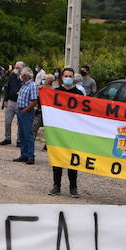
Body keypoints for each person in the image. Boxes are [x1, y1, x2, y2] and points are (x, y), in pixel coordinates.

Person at [49, 67, 84, 195]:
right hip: (59, 131)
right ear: (62, 77)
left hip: (73, 132)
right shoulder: (56, 92)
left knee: (72, 161)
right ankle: (56, 186)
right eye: (66, 76)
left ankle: (73, 188)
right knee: (57, 160)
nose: (68, 78)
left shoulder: (79, 94)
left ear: (73, 78)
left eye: (70, 76)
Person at [0, 61, 24, 146]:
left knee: (20, 122)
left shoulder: (25, 77)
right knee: (7, 121)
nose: (15, 69)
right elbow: (8, 88)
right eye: (15, 67)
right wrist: (5, 100)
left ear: (22, 68)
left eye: (18, 67)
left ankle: (19, 140)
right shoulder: (12, 76)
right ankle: (7, 138)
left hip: (20, 102)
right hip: (11, 101)